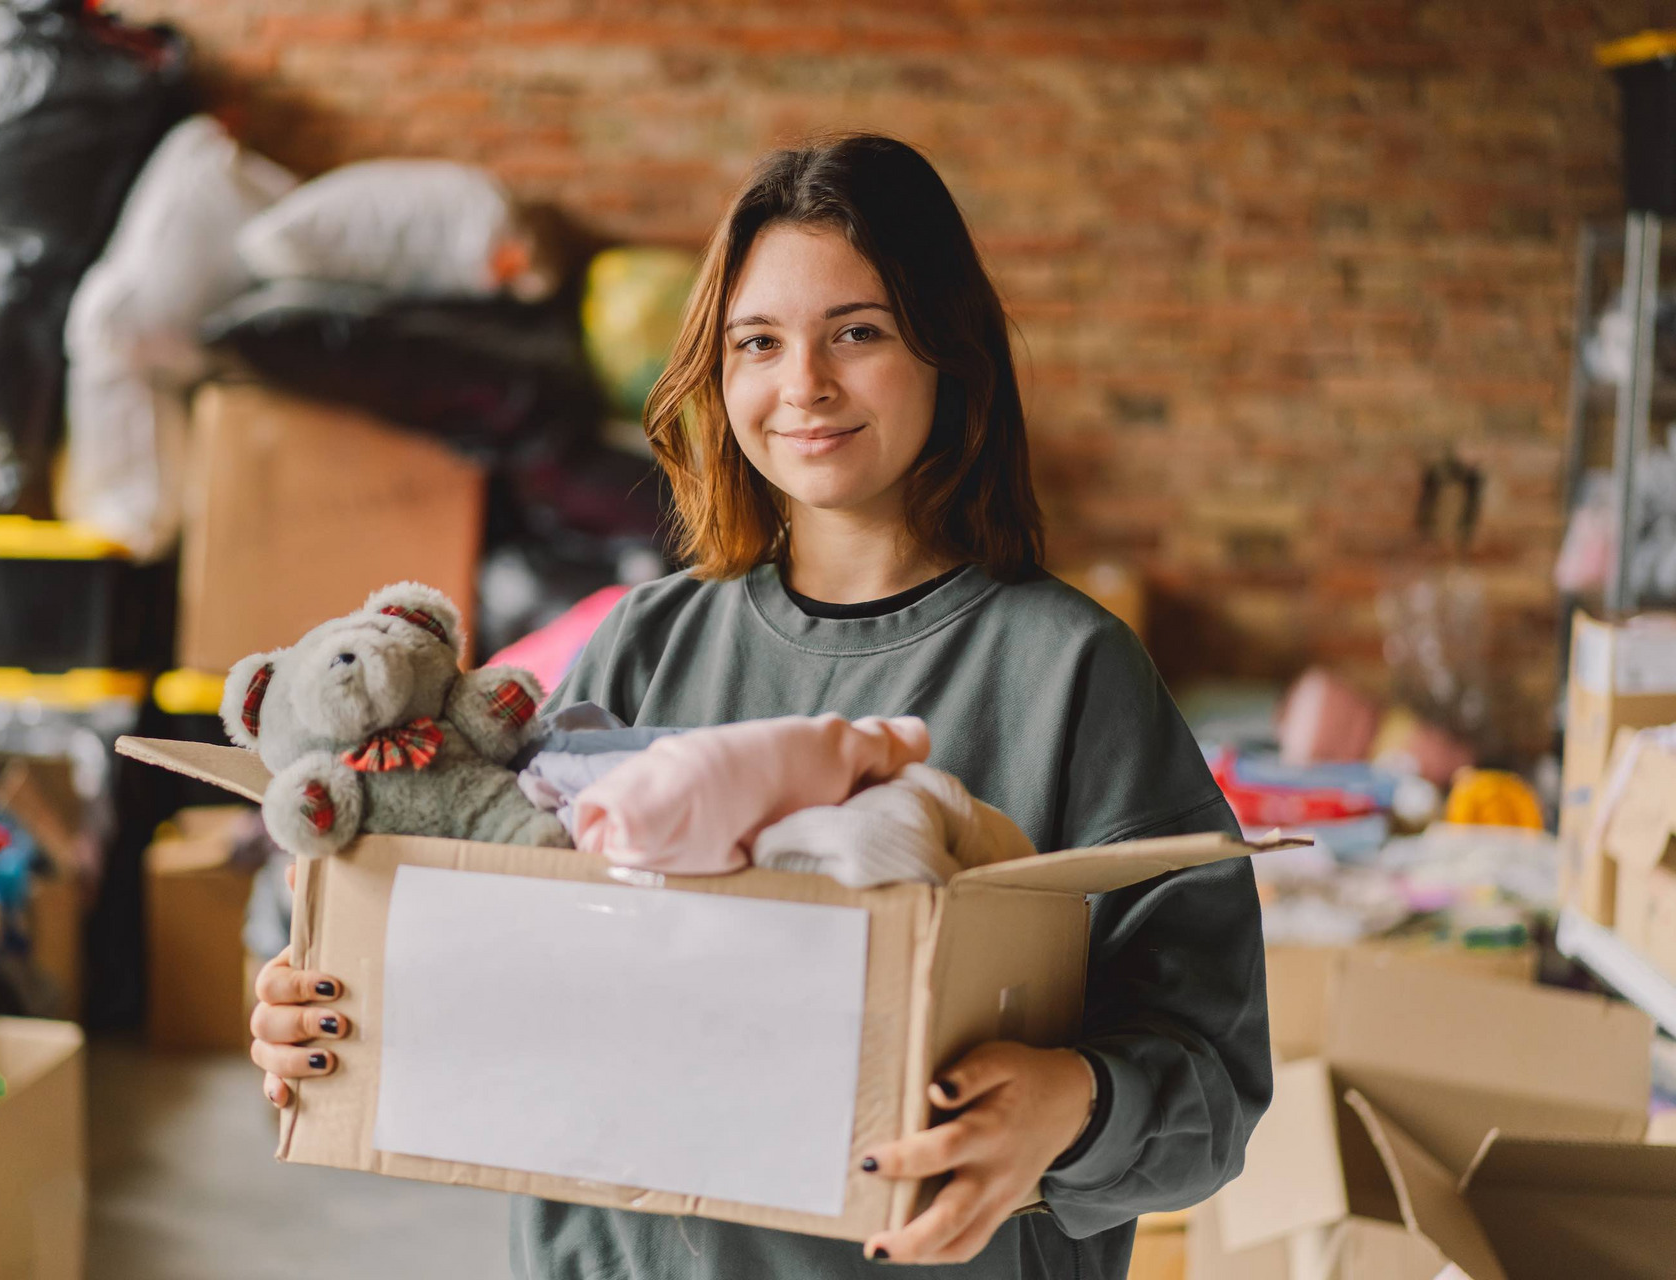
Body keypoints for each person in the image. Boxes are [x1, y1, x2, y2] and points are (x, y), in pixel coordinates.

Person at [248, 132, 1269, 1277]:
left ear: (950, 350)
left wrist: (1070, 1102)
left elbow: (1215, 1080)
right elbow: (474, 897)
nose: (805, 385)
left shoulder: (1071, 671)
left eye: (859, 333)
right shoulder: (643, 643)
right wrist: (314, 996)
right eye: (759, 342)